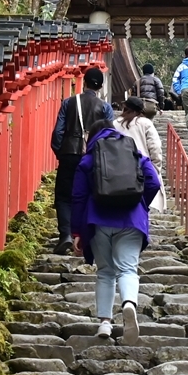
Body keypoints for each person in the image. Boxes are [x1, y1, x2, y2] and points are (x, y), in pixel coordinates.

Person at [69, 117, 162, 344]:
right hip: (131, 220)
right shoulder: (134, 153)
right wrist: (140, 205)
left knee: (105, 272)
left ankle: (105, 323)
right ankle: (129, 303)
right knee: (128, 269)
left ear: (91, 137)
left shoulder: (89, 159)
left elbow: (78, 198)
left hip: (98, 221)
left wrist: (77, 232)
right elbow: (153, 182)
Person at [50, 68, 111, 254]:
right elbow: (110, 135)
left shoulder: (68, 103)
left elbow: (58, 133)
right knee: (91, 195)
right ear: (100, 86)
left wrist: (61, 153)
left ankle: (66, 236)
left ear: (83, 82)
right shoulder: (105, 107)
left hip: (69, 154)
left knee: (64, 197)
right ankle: (87, 237)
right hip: (94, 157)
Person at [117, 95, 166, 175]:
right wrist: (155, 170)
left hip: (120, 169)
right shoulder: (145, 123)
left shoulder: (115, 123)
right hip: (143, 169)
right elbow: (155, 147)